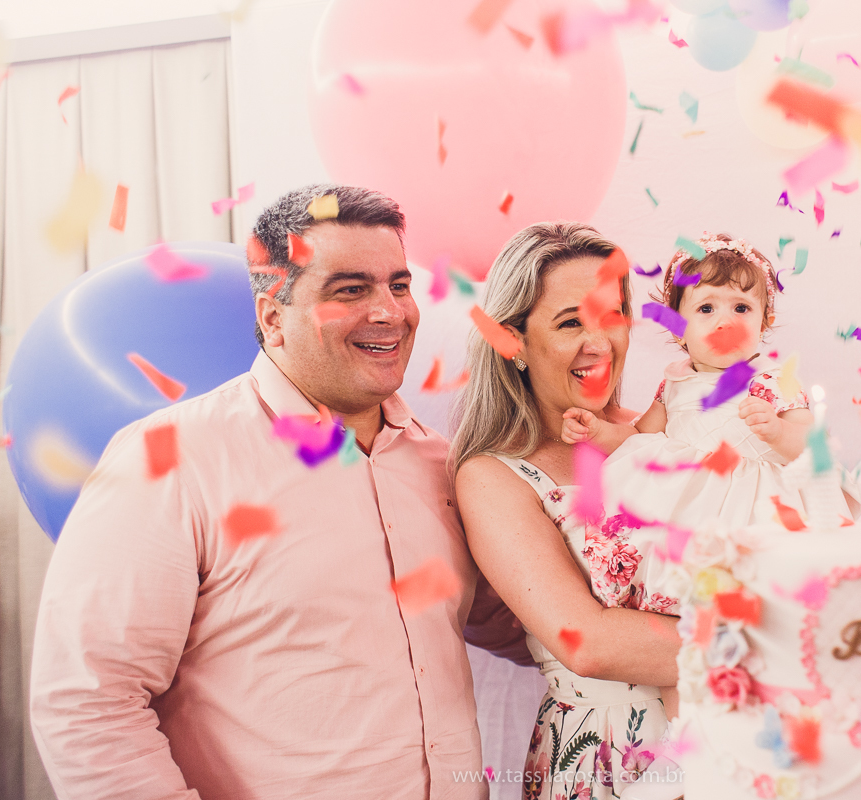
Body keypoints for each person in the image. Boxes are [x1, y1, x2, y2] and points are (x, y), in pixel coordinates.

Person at [28, 185, 530, 800]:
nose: (390, 312)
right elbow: (87, 702)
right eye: (351, 290)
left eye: (398, 285)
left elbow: (526, 622)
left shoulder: (444, 465)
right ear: (272, 317)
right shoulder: (170, 460)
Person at [450, 223, 683, 800]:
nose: (599, 342)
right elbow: (588, 642)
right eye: (570, 322)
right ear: (514, 343)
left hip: (731, 734)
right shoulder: (494, 475)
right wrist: (771, 640)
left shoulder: (669, 434)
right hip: (606, 759)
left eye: (612, 314)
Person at [561, 232, 822, 533]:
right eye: (706, 309)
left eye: (741, 308)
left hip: (759, 512)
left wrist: (779, 431)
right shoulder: (675, 382)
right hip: (688, 512)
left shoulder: (773, 382)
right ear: (678, 329)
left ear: (764, 322)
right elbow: (639, 438)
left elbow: (814, 450)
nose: (725, 322)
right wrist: (598, 431)